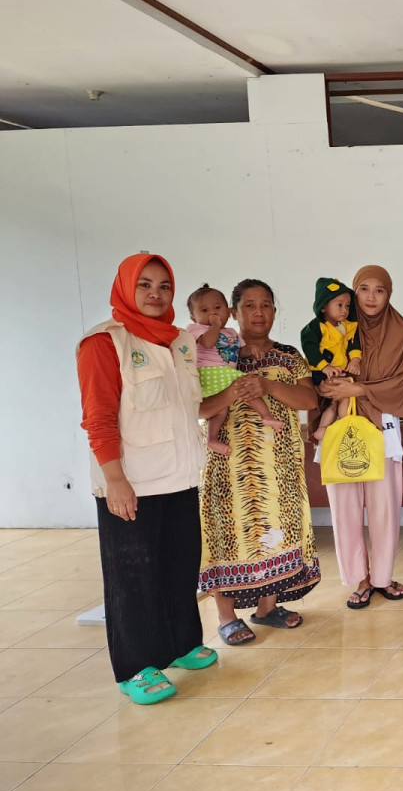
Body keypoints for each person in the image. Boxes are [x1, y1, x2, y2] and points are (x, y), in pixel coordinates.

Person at [77, 254, 215, 704]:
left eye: (164, 287)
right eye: (145, 285)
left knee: (178, 568)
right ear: (126, 289)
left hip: (178, 477)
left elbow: (186, 407)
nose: (156, 294)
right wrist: (114, 479)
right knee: (132, 577)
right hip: (131, 482)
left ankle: (180, 645)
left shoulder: (180, 341)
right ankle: (136, 667)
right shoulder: (103, 343)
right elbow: (98, 418)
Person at [197, 279, 322, 644]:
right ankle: (226, 617)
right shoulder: (213, 354)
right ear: (234, 312)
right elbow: (199, 407)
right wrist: (233, 390)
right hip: (228, 466)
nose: (259, 312)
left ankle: (268, 608)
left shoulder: (288, 355)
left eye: (266, 305)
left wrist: (267, 387)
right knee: (227, 536)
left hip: (278, 465)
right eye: (249, 305)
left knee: (275, 536)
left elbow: (309, 400)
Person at [318, 265, 403, 609]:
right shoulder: (335, 327)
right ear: (353, 292)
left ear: (389, 294)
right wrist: (335, 388)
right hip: (341, 427)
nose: (372, 297)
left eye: (380, 290)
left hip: (382, 428)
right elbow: (318, 371)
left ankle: (383, 577)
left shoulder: (402, 331)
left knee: (384, 507)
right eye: (364, 289)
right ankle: (359, 579)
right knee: (345, 509)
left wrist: (358, 388)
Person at [186, 283, 283, 455]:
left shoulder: (231, 332)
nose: (213, 313)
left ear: (228, 311)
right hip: (210, 373)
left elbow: (239, 352)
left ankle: (212, 439)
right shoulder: (196, 329)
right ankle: (266, 416)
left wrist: (250, 350)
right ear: (193, 318)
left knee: (220, 410)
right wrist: (215, 325)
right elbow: (208, 343)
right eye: (204, 310)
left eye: (217, 308)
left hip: (223, 374)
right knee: (246, 385)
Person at [299, 277, 362, 442]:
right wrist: (324, 366)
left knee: (340, 399)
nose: (344, 310)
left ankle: (327, 428)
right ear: (323, 307)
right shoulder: (316, 327)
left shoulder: (347, 326)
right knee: (342, 395)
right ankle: (339, 425)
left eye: (347, 306)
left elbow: (353, 345)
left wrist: (355, 360)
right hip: (321, 371)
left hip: (338, 370)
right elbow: (310, 348)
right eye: (339, 305)